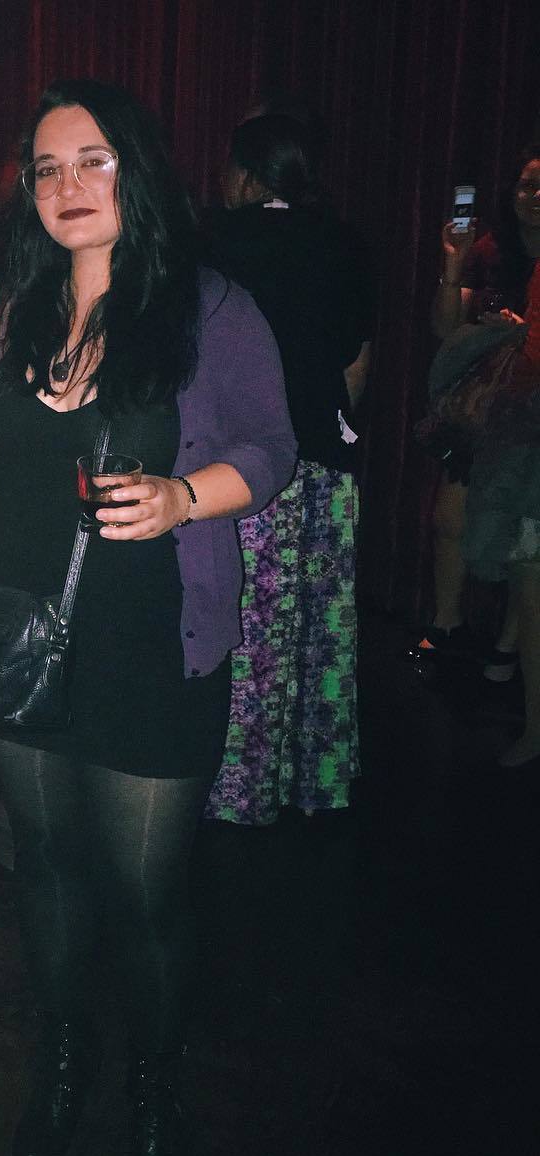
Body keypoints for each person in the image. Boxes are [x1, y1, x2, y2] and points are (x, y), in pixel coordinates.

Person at [0, 80, 295, 1156]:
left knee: (148, 892)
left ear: (138, 170)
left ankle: (156, 1084)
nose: (67, 185)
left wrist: (181, 497)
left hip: (153, 643)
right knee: (46, 866)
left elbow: (269, 446)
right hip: (22, 635)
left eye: (92, 161)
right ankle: (65, 1059)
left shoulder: (210, 308)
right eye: (47, 168)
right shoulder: (15, 309)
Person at [202, 113, 373, 823]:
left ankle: (238, 790)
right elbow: (355, 367)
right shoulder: (344, 242)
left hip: (242, 468)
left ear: (244, 173)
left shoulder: (213, 240)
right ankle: (318, 778)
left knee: (248, 632)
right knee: (322, 630)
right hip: (325, 461)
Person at [420, 144, 540, 679]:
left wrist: (526, 330)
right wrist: (453, 262)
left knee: (523, 530)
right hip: (482, 405)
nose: (534, 197)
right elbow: (445, 327)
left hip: (531, 410)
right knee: (450, 518)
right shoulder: (492, 249)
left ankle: (509, 646)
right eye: (526, 185)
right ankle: (447, 625)